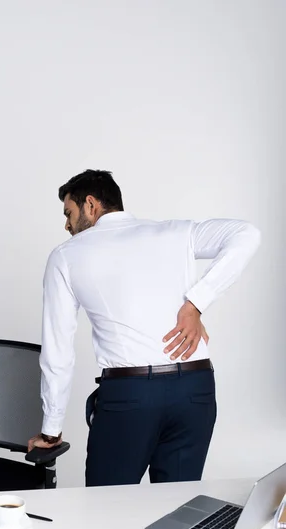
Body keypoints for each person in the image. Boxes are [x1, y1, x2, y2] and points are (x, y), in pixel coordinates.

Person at [28, 169, 261, 486]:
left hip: (131, 396)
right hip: (196, 389)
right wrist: (196, 303)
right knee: (175, 509)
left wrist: (51, 431)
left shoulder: (66, 256)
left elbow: (58, 351)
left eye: (69, 213)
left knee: (106, 508)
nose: (67, 225)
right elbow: (246, 234)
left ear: (91, 205)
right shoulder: (173, 233)